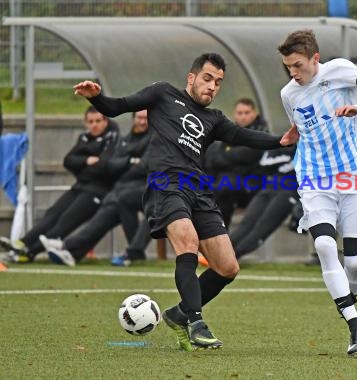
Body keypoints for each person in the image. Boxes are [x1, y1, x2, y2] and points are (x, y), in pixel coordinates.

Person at [72, 53, 286, 351]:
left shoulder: (214, 119)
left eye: (218, 83)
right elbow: (117, 107)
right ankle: (196, 322)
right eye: (208, 79)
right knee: (187, 242)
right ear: (192, 78)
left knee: (227, 267)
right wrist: (97, 98)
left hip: (198, 190)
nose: (212, 87)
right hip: (165, 184)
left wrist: (282, 140)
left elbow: (243, 136)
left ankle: (177, 314)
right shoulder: (162, 93)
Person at [277, 29, 357, 356]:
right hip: (314, 179)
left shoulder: (339, 70)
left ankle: (349, 302)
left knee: (355, 265)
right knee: (326, 245)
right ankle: (354, 321)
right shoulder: (289, 93)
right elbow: (301, 126)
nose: (293, 73)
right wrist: (292, 135)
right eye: (289, 67)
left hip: (352, 174)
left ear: (315, 59)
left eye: (298, 65)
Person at [0, 106, 120, 262]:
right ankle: (22, 243)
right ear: (85, 123)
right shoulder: (84, 138)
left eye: (98, 121)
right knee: (51, 214)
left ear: (105, 121)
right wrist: (87, 161)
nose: (94, 125)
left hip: (97, 191)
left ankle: (29, 252)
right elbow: (68, 161)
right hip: (79, 186)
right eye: (90, 121)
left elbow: (104, 166)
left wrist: (82, 164)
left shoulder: (112, 139)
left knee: (65, 221)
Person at [39, 110, 151, 267]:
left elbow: (143, 167)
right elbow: (110, 166)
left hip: (147, 189)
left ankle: (133, 253)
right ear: (133, 119)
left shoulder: (155, 139)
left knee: (123, 200)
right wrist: (130, 161)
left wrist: (123, 164)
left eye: (146, 118)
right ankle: (70, 251)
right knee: (104, 217)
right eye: (139, 117)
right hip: (120, 190)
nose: (142, 121)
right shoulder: (125, 140)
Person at [205, 98, 268, 227]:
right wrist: (228, 155)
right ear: (235, 114)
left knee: (224, 186)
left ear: (254, 113)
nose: (243, 116)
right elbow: (215, 157)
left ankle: (221, 232)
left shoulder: (261, 132)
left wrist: (226, 154)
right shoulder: (231, 131)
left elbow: (249, 154)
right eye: (240, 113)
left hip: (253, 185)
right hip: (229, 181)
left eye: (247, 112)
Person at [229, 145, 298, 260]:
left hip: (289, 190)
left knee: (262, 228)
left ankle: (231, 257)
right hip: (270, 186)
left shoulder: (310, 147)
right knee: (246, 223)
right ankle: (218, 253)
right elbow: (264, 163)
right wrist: (287, 158)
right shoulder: (283, 143)